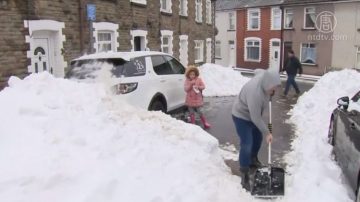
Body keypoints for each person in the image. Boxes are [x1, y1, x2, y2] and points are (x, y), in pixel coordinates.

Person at [232, 69, 281, 191]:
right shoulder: (255, 93)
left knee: (257, 139)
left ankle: (253, 159)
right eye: (273, 88)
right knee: (247, 143)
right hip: (241, 116)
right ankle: (244, 173)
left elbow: (258, 71)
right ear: (267, 84)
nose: (274, 90)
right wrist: (267, 133)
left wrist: (270, 93)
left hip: (253, 115)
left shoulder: (264, 79)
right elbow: (255, 118)